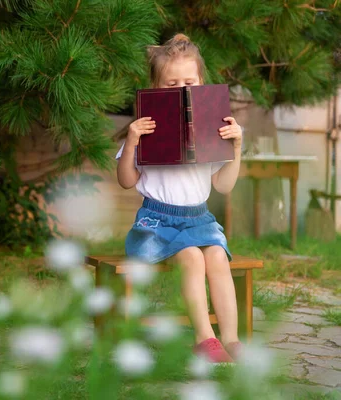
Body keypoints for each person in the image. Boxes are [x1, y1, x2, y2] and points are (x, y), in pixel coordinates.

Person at [116, 33, 243, 363]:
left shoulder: (209, 129)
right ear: (155, 89)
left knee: (216, 254)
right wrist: (131, 140)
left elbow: (224, 186)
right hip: (157, 224)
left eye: (190, 81)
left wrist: (237, 148)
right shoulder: (146, 130)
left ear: (202, 83)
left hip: (199, 219)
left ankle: (232, 339)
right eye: (172, 84)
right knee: (191, 256)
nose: (182, 89)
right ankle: (205, 339)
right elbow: (127, 181)